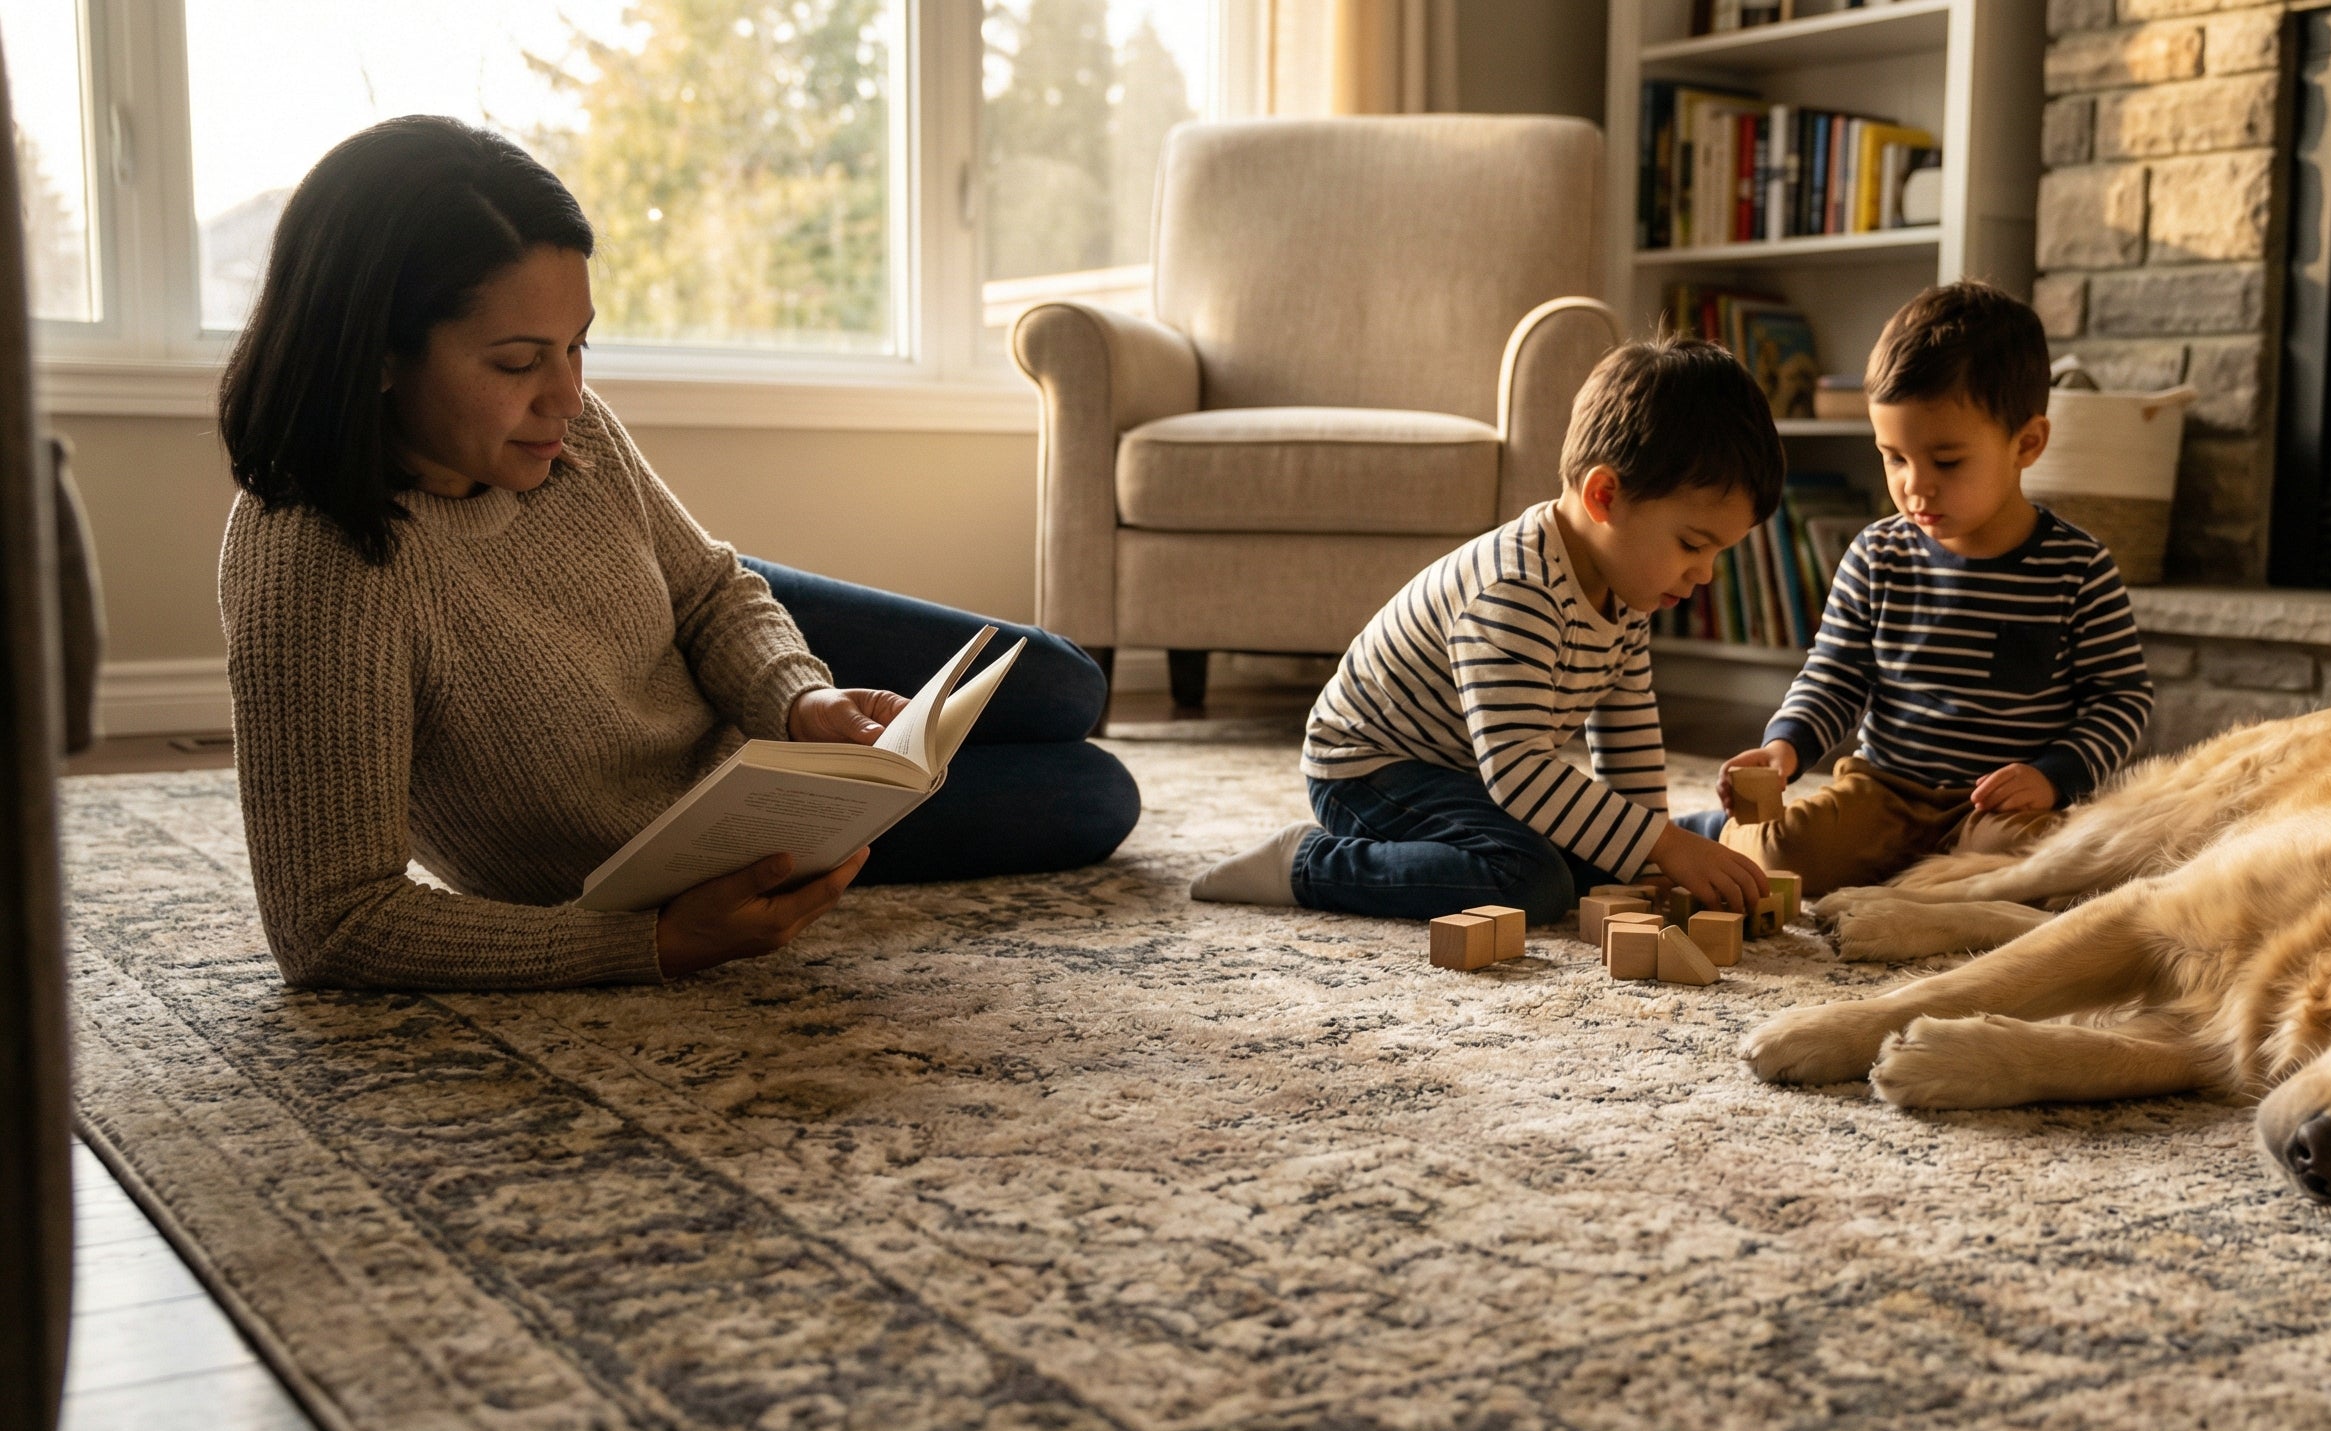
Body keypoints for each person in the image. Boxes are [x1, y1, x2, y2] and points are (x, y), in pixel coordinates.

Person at [217, 116, 1139, 991]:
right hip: (686, 835)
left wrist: (798, 697)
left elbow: (705, 593)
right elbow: (330, 922)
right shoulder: (317, 566)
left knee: (1062, 682)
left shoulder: (568, 436)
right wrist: (646, 943)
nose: (570, 398)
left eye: (578, 346)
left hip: (705, 660)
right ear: (374, 353)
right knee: (1094, 796)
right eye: (516, 362)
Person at [1190, 337, 1779, 924]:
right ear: (1605, 496)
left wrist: (1650, 860)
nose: (1703, 573)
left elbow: (1626, 729)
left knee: (1609, 852)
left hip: (1470, 771)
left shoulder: (1628, 589)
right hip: (1367, 769)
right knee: (1531, 881)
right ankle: (1308, 863)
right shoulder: (1516, 589)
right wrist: (1666, 845)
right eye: (1692, 545)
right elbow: (1519, 769)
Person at [1677, 281, 2154, 895]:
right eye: (1893, 457)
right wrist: (1785, 747)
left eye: (1947, 461)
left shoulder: (2078, 567)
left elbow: (2122, 697)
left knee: (2041, 869)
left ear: (2027, 444)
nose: (1915, 487)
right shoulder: (1878, 555)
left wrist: (2055, 775)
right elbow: (1834, 674)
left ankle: (1928, 884)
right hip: (1886, 792)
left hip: (1998, 810)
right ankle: (1720, 830)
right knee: (1777, 859)